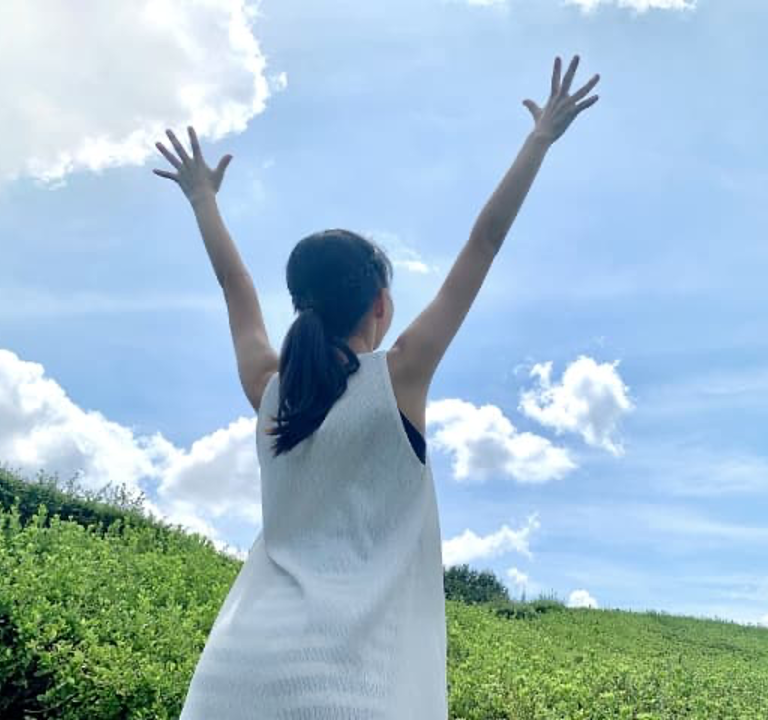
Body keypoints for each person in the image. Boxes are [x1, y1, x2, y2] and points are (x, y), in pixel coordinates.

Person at [152, 53, 600, 720]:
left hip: (233, 679)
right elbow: (484, 242)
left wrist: (202, 199)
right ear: (381, 306)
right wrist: (539, 140)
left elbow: (234, 285)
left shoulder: (270, 389)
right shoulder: (401, 375)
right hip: (345, 691)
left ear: (301, 306)